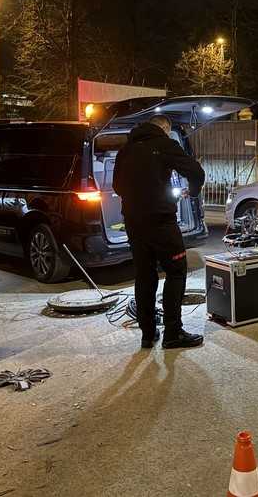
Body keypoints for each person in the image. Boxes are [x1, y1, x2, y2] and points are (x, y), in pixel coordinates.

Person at [113, 114, 206, 349]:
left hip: (133, 222)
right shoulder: (164, 144)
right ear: (165, 129)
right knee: (176, 271)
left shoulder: (126, 149)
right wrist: (193, 191)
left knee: (145, 276)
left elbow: (116, 186)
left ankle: (147, 334)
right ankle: (173, 333)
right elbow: (196, 171)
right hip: (161, 221)